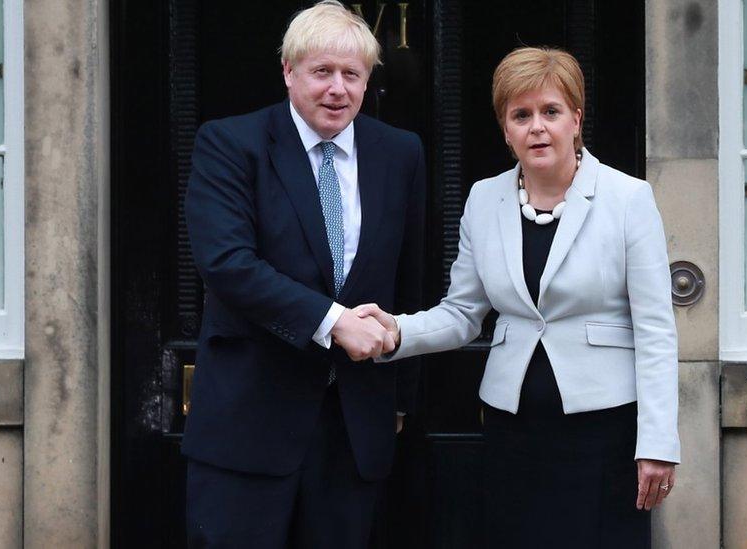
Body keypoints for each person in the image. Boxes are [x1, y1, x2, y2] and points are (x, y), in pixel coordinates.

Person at [358, 47, 679, 547]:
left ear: (576, 118)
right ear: (505, 129)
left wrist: (658, 443)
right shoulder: (484, 199)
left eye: (551, 112)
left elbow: (656, 330)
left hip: (605, 433)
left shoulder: (628, 199)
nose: (537, 127)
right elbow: (463, 313)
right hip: (513, 430)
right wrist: (396, 331)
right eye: (521, 115)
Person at [181, 1, 424, 546]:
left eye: (351, 75)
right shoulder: (230, 144)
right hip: (248, 428)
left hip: (354, 428)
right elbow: (227, 263)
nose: (337, 89)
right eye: (322, 72)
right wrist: (334, 321)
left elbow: (408, 278)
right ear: (289, 73)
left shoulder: (399, 153)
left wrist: (400, 398)